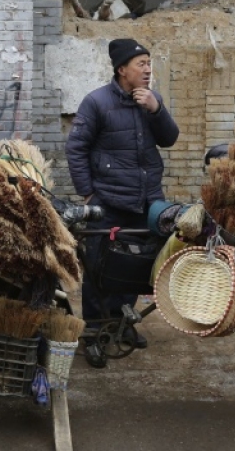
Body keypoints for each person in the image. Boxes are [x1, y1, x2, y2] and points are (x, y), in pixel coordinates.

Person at [66, 38, 180, 367]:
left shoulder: (152, 100)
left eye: (149, 63)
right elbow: (76, 148)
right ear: (122, 69)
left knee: (138, 265)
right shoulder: (96, 102)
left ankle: (122, 324)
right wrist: (88, 194)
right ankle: (94, 331)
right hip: (109, 200)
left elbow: (170, 139)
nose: (147, 70)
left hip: (147, 200)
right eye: (140, 64)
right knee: (100, 268)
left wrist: (156, 110)